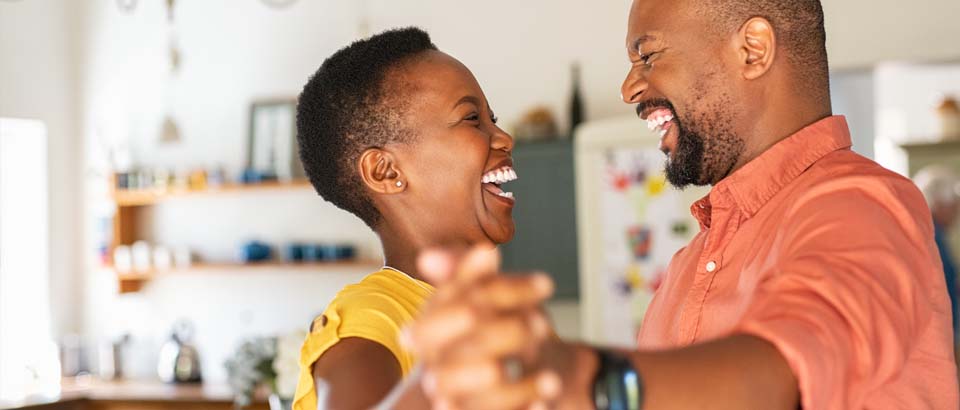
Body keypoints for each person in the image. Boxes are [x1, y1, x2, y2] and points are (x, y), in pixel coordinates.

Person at [404, 0, 960, 409]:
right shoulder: (691, 263)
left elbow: (787, 363)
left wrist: (581, 377)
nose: (628, 87)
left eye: (646, 55)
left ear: (753, 49)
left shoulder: (861, 204)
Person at [291, 27, 518, 410]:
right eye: (472, 119)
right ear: (385, 171)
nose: (504, 137)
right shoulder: (371, 319)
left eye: (492, 118)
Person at [915, 165, 960, 345]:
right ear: (939, 203)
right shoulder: (933, 236)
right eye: (954, 206)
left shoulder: (930, 231)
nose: (957, 214)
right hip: (938, 333)